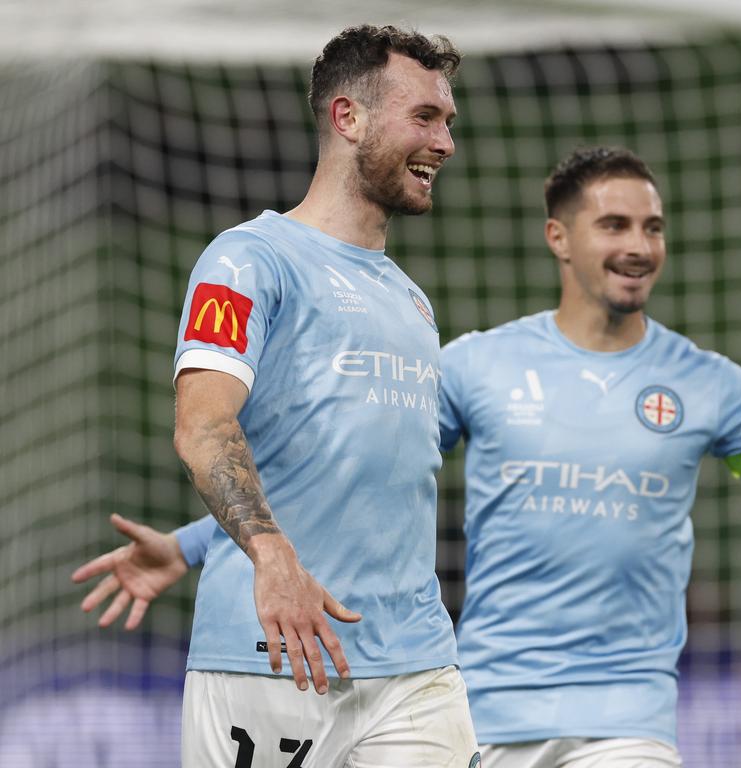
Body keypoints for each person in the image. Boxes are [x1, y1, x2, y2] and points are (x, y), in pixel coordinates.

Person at [76, 147, 741, 767]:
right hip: (478, 714)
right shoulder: (477, 368)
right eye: (614, 225)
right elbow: (355, 476)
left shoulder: (711, 389)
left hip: (626, 725)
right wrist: (197, 545)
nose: (638, 245)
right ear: (558, 239)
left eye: (652, 227)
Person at [74, 24, 481, 767]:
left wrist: (190, 546)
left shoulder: (414, 302)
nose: (445, 141)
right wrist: (267, 557)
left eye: (447, 121)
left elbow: (345, 478)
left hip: (416, 665)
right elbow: (203, 427)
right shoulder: (248, 261)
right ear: (348, 118)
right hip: (273, 654)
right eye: (425, 116)